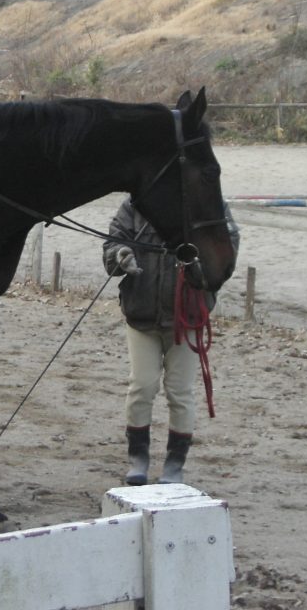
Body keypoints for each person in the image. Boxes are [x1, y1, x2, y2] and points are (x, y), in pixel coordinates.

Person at [103, 197, 239, 486]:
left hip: (187, 317)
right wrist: (120, 255)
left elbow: (227, 249)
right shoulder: (135, 206)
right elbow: (112, 244)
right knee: (142, 386)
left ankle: (175, 463)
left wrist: (200, 267)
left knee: (180, 391)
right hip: (142, 314)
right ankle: (138, 457)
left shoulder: (209, 205)